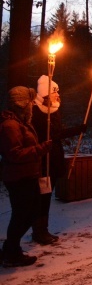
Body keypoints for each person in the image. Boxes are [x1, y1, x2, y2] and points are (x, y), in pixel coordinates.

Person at [30, 75, 86, 245]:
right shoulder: (37, 112)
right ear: (45, 94)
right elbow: (52, 135)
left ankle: (42, 229)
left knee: (47, 195)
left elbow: (56, 135)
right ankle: (38, 231)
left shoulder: (54, 110)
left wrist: (75, 131)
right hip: (42, 160)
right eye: (54, 92)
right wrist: (76, 130)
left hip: (53, 158)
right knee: (42, 196)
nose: (58, 95)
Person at [0, 87, 51, 267]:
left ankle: (9, 249)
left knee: (28, 213)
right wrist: (41, 148)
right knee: (22, 215)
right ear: (21, 104)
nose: (31, 106)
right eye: (29, 103)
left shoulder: (20, 122)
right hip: (18, 178)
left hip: (27, 175)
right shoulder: (10, 125)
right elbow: (14, 154)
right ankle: (11, 252)